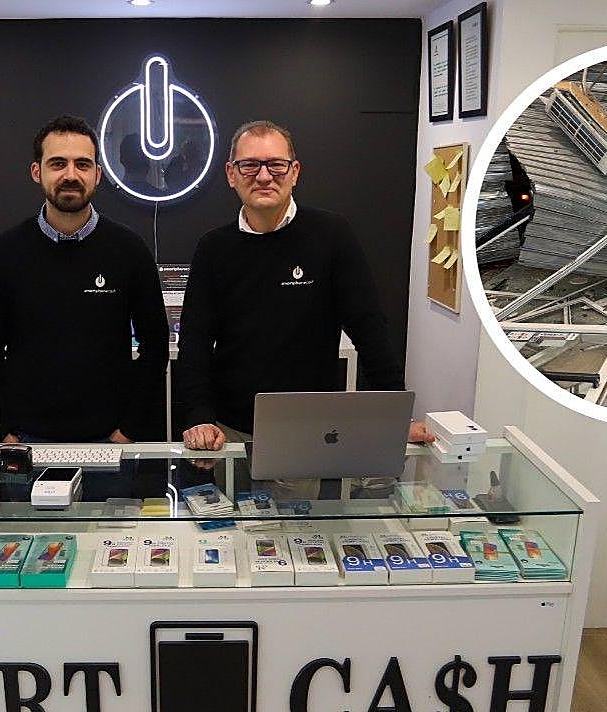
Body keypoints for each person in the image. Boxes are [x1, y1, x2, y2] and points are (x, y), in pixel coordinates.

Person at [176, 119, 433, 490]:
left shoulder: (331, 236)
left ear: (294, 172)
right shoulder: (213, 248)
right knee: (229, 524)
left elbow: (369, 329)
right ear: (231, 174)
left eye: (276, 165)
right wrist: (199, 415)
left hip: (305, 433)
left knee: (297, 525)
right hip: (228, 432)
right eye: (250, 165)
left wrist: (396, 416)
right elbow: (195, 341)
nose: (264, 176)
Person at [0, 115, 169, 446]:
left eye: (82, 164)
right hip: (25, 440)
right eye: (57, 163)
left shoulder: (129, 250)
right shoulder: (5, 252)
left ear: (98, 174)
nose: (70, 175)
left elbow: (156, 344)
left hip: (110, 441)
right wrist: (2, 428)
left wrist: (129, 430)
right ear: (37, 172)